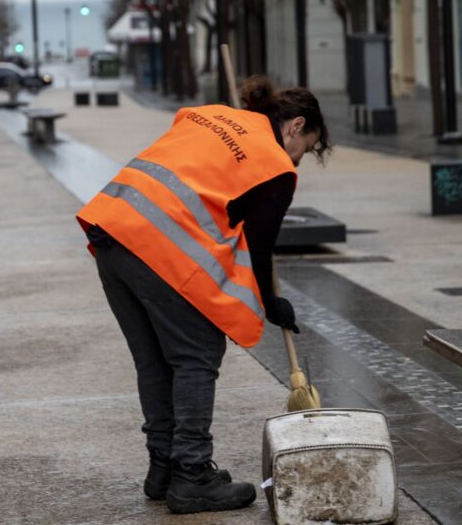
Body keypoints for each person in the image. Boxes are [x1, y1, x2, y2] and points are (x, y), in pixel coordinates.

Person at [76, 77, 331, 514]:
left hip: (111, 229)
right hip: (152, 245)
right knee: (197, 353)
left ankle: (164, 468)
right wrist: (272, 306)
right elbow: (259, 244)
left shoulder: (213, 114)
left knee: (155, 360)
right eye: (305, 149)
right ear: (295, 126)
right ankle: (192, 476)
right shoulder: (275, 166)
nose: (299, 161)